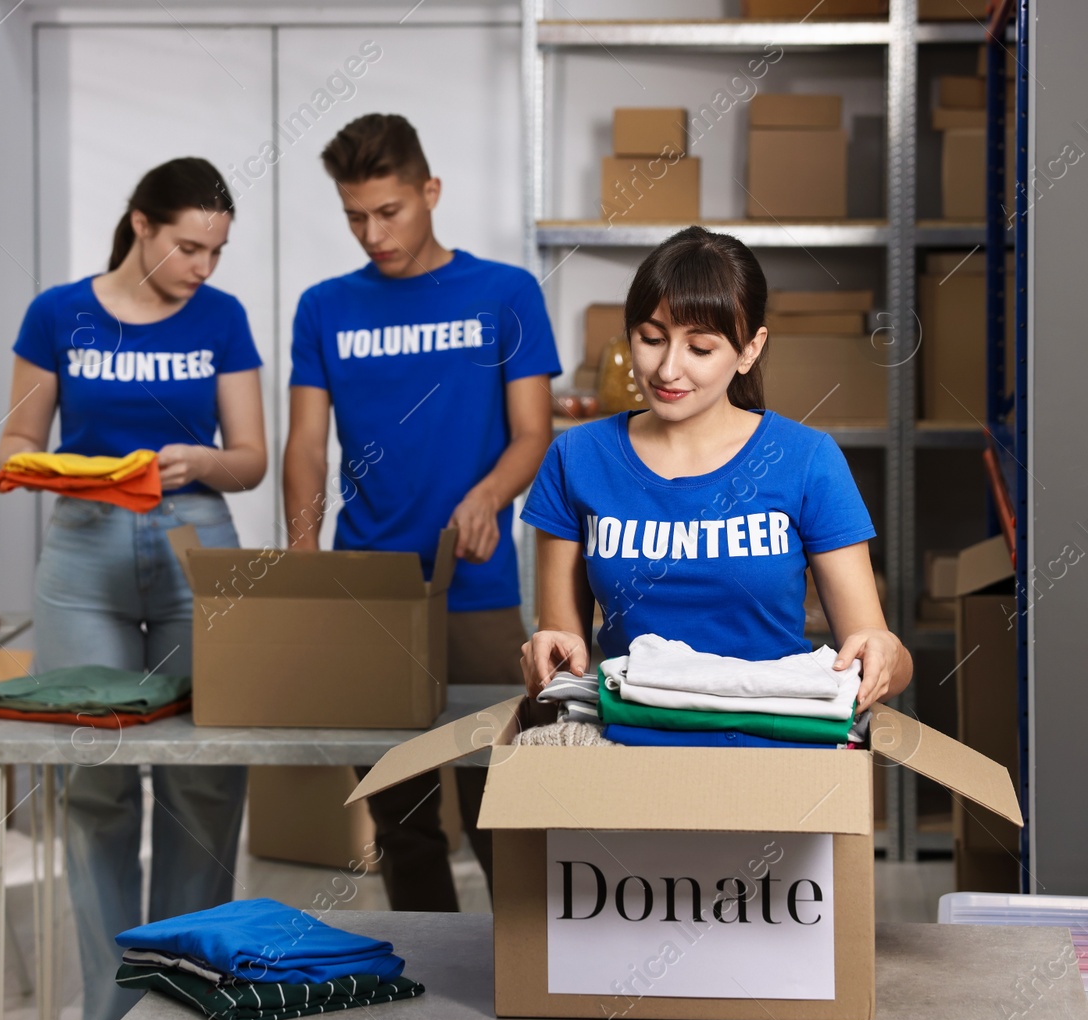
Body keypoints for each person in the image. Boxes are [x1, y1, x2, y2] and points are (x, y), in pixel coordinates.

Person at [0, 157, 267, 1020]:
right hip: (85, 542)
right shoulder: (57, 312)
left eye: (216, 250)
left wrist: (197, 461)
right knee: (96, 779)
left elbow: (252, 455)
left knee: (204, 773)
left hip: (196, 534)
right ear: (140, 225)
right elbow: (19, 439)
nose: (203, 266)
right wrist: (69, 468)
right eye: (188, 245)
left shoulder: (221, 318)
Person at [282, 114, 558, 911]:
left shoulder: (505, 293)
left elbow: (533, 432)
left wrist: (488, 493)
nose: (374, 233)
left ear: (429, 192)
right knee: (400, 819)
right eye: (355, 217)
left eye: (390, 211)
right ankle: (430, 995)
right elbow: (306, 445)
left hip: (474, 588)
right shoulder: (324, 307)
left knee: (499, 808)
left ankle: (527, 979)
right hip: (367, 593)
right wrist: (304, 568)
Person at [518, 225, 912, 711]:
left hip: (773, 739)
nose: (667, 370)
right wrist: (548, 654)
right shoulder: (577, 457)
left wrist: (884, 652)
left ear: (749, 349)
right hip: (633, 741)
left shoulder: (807, 459)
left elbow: (878, 652)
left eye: (699, 349)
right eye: (651, 338)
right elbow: (560, 658)